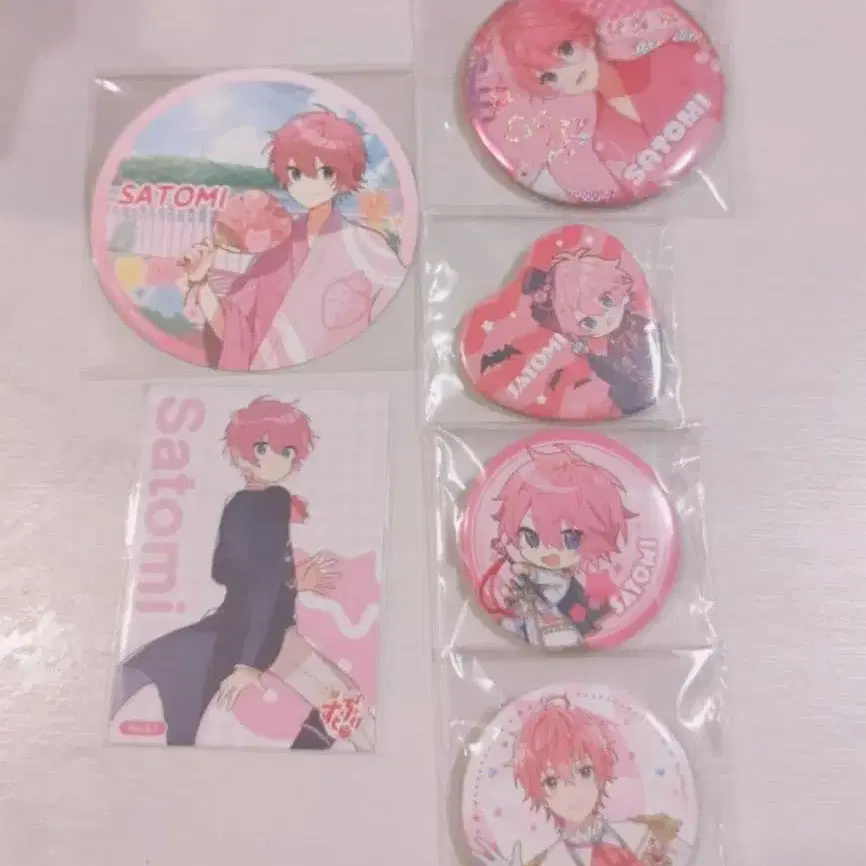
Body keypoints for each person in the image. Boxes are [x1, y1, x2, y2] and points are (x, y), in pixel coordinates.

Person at [112, 398, 374, 748]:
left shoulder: (240, 505)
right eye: (263, 448)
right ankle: (312, 759)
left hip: (256, 626)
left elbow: (227, 570)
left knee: (341, 701)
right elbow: (255, 581)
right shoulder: (273, 501)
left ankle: (309, 758)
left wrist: (287, 579)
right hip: (264, 632)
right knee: (345, 701)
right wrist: (250, 661)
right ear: (239, 452)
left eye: (287, 451)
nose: (277, 459)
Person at [181, 109, 406, 370]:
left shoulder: (366, 246)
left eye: (325, 172)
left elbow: (396, 320)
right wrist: (201, 282)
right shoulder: (275, 249)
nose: (308, 184)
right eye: (296, 173)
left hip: (340, 377)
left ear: (345, 178)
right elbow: (235, 331)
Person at [475, 696, 683, 866]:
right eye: (552, 782)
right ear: (538, 791)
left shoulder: (649, 834)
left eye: (584, 771)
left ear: (600, 773)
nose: (572, 791)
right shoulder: (549, 861)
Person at [478, 446, 633, 649]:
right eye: (531, 537)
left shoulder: (563, 582)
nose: (550, 550)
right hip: (531, 625)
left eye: (570, 540)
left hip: (559, 629)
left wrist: (529, 572)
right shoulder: (532, 579)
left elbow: (555, 585)